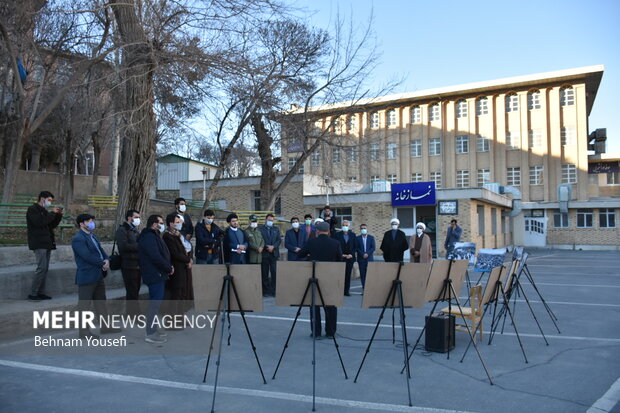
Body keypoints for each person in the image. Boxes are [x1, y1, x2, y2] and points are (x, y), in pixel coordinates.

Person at [71, 214, 121, 339]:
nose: (91, 222)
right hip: (87, 275)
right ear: (81, 224)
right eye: (88, 221)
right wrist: (102, 263)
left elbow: (101, 251)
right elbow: (86, 256)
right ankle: (84, 333)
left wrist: (107, 260)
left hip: (98, 274)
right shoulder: (78, 239)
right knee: (84, 305)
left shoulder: (93, 236)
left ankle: (105, 327)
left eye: (92, 220)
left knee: (101, 302)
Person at [297, 221, 342, 338]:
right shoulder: (335, 243)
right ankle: (330, 332)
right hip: (330, 277)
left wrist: (309, 256)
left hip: (315, 276)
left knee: (315, 305)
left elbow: (301, 254)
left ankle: (316, 332)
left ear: (317, 231)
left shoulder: (312, 242)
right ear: (328, 231)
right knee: (331, 305)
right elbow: (339, 260)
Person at [138, 215, 174, 344]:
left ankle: (153, 328)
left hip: (159, 273)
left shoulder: (154, 235)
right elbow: (155, 256)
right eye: (160, 222)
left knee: (156, 303)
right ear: (154, 224)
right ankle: (150, 333)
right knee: (154, 304)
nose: (162, 224)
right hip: (154, 274)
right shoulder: (148, 237)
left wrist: (168, 266)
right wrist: (168, 267)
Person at [26, 190, 63, 301]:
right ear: (42, 198)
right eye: (49, 200)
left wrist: (58, 216)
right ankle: (33, 293)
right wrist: (52, 213)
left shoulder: (45, 211)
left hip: (47, 243)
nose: (50, 202)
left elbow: (51, 225)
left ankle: (40, 292)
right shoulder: (32, 209)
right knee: (41, 268)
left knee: (45, 268)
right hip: (38, 242)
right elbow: (39, 222)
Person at [162, 213, 192, 324]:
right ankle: (173, 320)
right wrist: (187, 260)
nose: (180, 224)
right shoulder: (167, 236)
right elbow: (175, 253)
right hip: (176, 268)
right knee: (176, 295)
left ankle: (181, 316)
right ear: (171, 223)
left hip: (182, 268)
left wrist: (189, 259)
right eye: (177, 222)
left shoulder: (177, 234)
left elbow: (185, 248)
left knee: (181, 294)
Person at [115, 209, 142, 316]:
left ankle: (132, 313)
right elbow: (123, 246)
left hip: (137, 264)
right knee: (132, 291)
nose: (138, 219)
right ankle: (134, 315)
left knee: (135, 290)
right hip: (128, 265)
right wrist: (139, 246)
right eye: (136, 217)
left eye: (139, 217)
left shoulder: (135, 230)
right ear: (129, 218)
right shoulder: (122, 230)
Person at [333, 219, 356, 296]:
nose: (345, 227)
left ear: (349, 226)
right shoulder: (337, 235)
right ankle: (339, 291)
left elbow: (355, 246)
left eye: (346, 225)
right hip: (340, 258)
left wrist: (351, 254)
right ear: (341, 226)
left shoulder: (353, 235)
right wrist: (341, 254)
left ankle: (346, 291)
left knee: (348, 275)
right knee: (340, 275)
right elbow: (335, 246)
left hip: (350, 258)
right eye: (343, 225)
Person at [260, 213, 280, 296]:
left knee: (274, 272)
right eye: (269, 220)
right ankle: (265, 291)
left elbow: (279, 240)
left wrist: (273, 246)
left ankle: (273, 290)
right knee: (264, 273)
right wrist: (266, 247)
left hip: (274, 254)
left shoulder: (276, 229)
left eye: (271, 220)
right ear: (265, 220)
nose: (270, 222)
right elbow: (260, 240)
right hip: (265, 253)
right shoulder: (260, 229)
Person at [355, 224, 376, 289]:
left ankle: (369, 289)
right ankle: (364, 289)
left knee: (369, 275)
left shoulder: (371, 237)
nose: (363, 229)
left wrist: (367, 253)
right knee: (363, 275)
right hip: (361, 259)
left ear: (367, 229)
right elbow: (356, 248)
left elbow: (373, 248)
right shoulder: (357, 238)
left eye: (364, 228)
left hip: (369, 259)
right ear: (360, 230)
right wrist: (362, 254)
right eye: (362, 228)